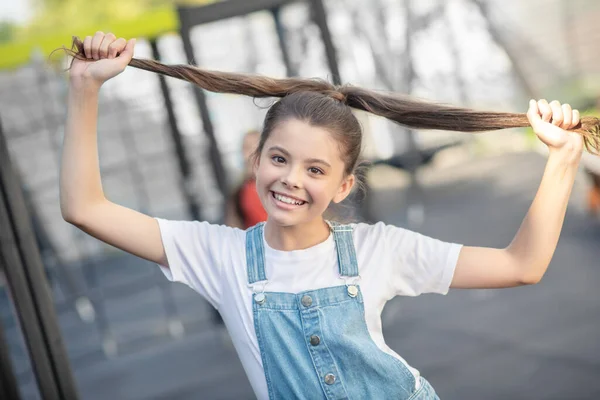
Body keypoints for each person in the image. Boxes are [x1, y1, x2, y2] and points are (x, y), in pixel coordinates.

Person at [60, 33, 600, 400]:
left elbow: (520, 264)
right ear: (255, 160)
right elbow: (85, 209)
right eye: (279, 158)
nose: (292, 178)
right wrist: (86, 87)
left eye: (315, 169)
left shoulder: (378, 250)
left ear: (344, 185)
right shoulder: (217, 255)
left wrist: (563, 158)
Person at [225, 130, 268, 229]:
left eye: (256, 148)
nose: (251, 154)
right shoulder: (239, 192)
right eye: (247, 148)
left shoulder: (280, 185)